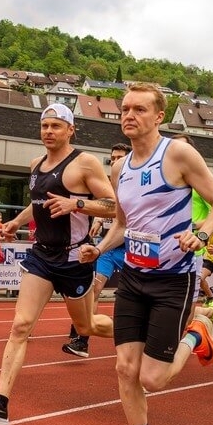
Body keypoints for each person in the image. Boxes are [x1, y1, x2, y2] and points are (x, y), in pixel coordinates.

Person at [75, 84, 213, 425]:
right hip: (133, 277)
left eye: (139, 109)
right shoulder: (119, 167)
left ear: (158, 116)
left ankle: (197, 332)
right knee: (125, 368)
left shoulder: (177, 153)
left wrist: (202, 235)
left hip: (173, 281)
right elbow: (123, 225)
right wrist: (99, 246)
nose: (129, 115)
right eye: (124, 109)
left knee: (153, 378)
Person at [0, 104, 118, 425]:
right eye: (44, 126)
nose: (48, 131)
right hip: (41, 257)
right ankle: (0, 404)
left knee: (86, 327)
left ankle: (133, 331)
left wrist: (76, 203)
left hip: (74, 259)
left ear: (70, 129)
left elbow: (114, 207)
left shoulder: (84, 163)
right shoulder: (35, 164)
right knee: (21, 325)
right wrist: (15, 222)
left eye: (55, 126)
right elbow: (36, 203)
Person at [63, 142, 131, 358]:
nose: (115, 162)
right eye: (112, 158)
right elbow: (107, 207)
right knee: (95, 288)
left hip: (133, 248)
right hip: (108, 248)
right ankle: (83, 338)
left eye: (120, 157)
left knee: (134, 296)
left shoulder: (137, 183)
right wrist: (100, 221)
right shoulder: (106, 183)